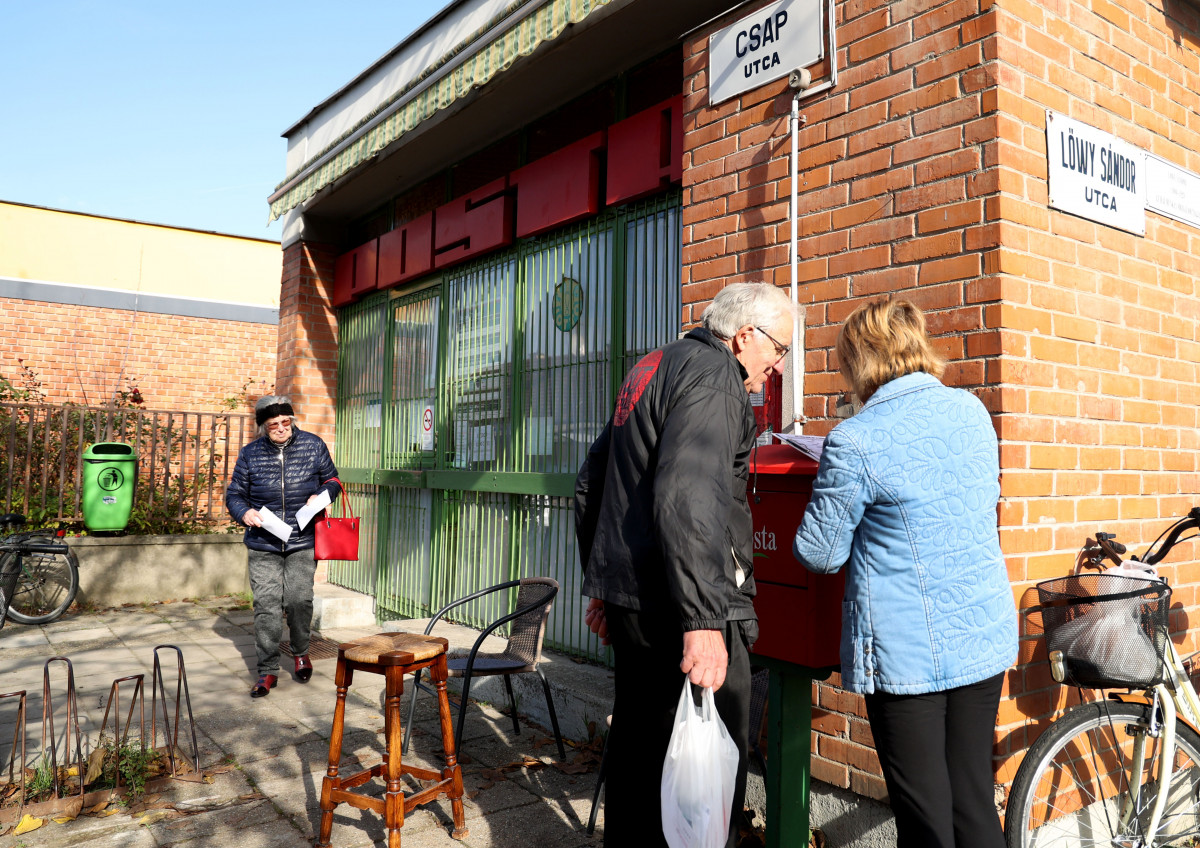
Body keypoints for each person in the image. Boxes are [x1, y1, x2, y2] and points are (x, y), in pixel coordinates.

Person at [574, 281, 798, 848]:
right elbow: (689, 497)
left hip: (637, 600)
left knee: (640, 754)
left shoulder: (652, 366)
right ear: (744, 336)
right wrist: (702, 621)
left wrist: (605, 586)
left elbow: (594, 479)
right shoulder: (715, 377)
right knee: (703, 777)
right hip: (684, 607)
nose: (777, 365)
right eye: (779, 349)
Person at [792, 299, 1017, 848]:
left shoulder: (856, 440)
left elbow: (820, 553)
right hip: (980, 633)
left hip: (906, 654)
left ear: (860, 361)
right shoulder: (971, 412)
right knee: (971, 799)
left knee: (924, 819)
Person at [226, 395, 341, 699]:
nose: (281, 428)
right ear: (263, 427)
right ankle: (267, 670)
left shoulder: (313, 445)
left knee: (299, 600)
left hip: (302, 538)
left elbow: (333, 481)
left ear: (292, 420)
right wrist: (244, 512)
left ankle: (301, 652)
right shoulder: (250, 454)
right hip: (263, 542)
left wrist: (322, 495)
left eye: (285, 421)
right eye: (273, 424)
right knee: (267, 604)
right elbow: (234, 495)